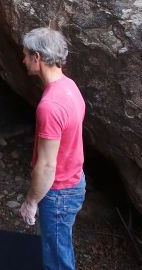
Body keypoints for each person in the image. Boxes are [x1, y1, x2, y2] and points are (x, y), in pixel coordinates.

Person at [18, 27, 86, 270]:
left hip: (59, 192)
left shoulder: (50, 106)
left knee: (58, 259)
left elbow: (47, 166)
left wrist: (31, 201)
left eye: (26, 55)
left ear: (38, 58)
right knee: (60, 245)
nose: (23, 60)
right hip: (75, 180)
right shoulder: (70, 87)